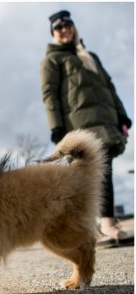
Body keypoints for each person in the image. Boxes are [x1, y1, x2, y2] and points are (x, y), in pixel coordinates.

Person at [40, 10, 133, 246]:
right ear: (53, 33)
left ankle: (106, 226)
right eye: (58, 27)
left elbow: (109, 87)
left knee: (106, 172)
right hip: (79, 127)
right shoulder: (53, 59)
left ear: (73, 27)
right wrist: (57, 127)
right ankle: (93, 229)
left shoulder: (90, 56)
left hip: (106, 121)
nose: (64, 30)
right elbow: (49, 94)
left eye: (67, 25)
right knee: (85, 177)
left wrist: (122, 115)